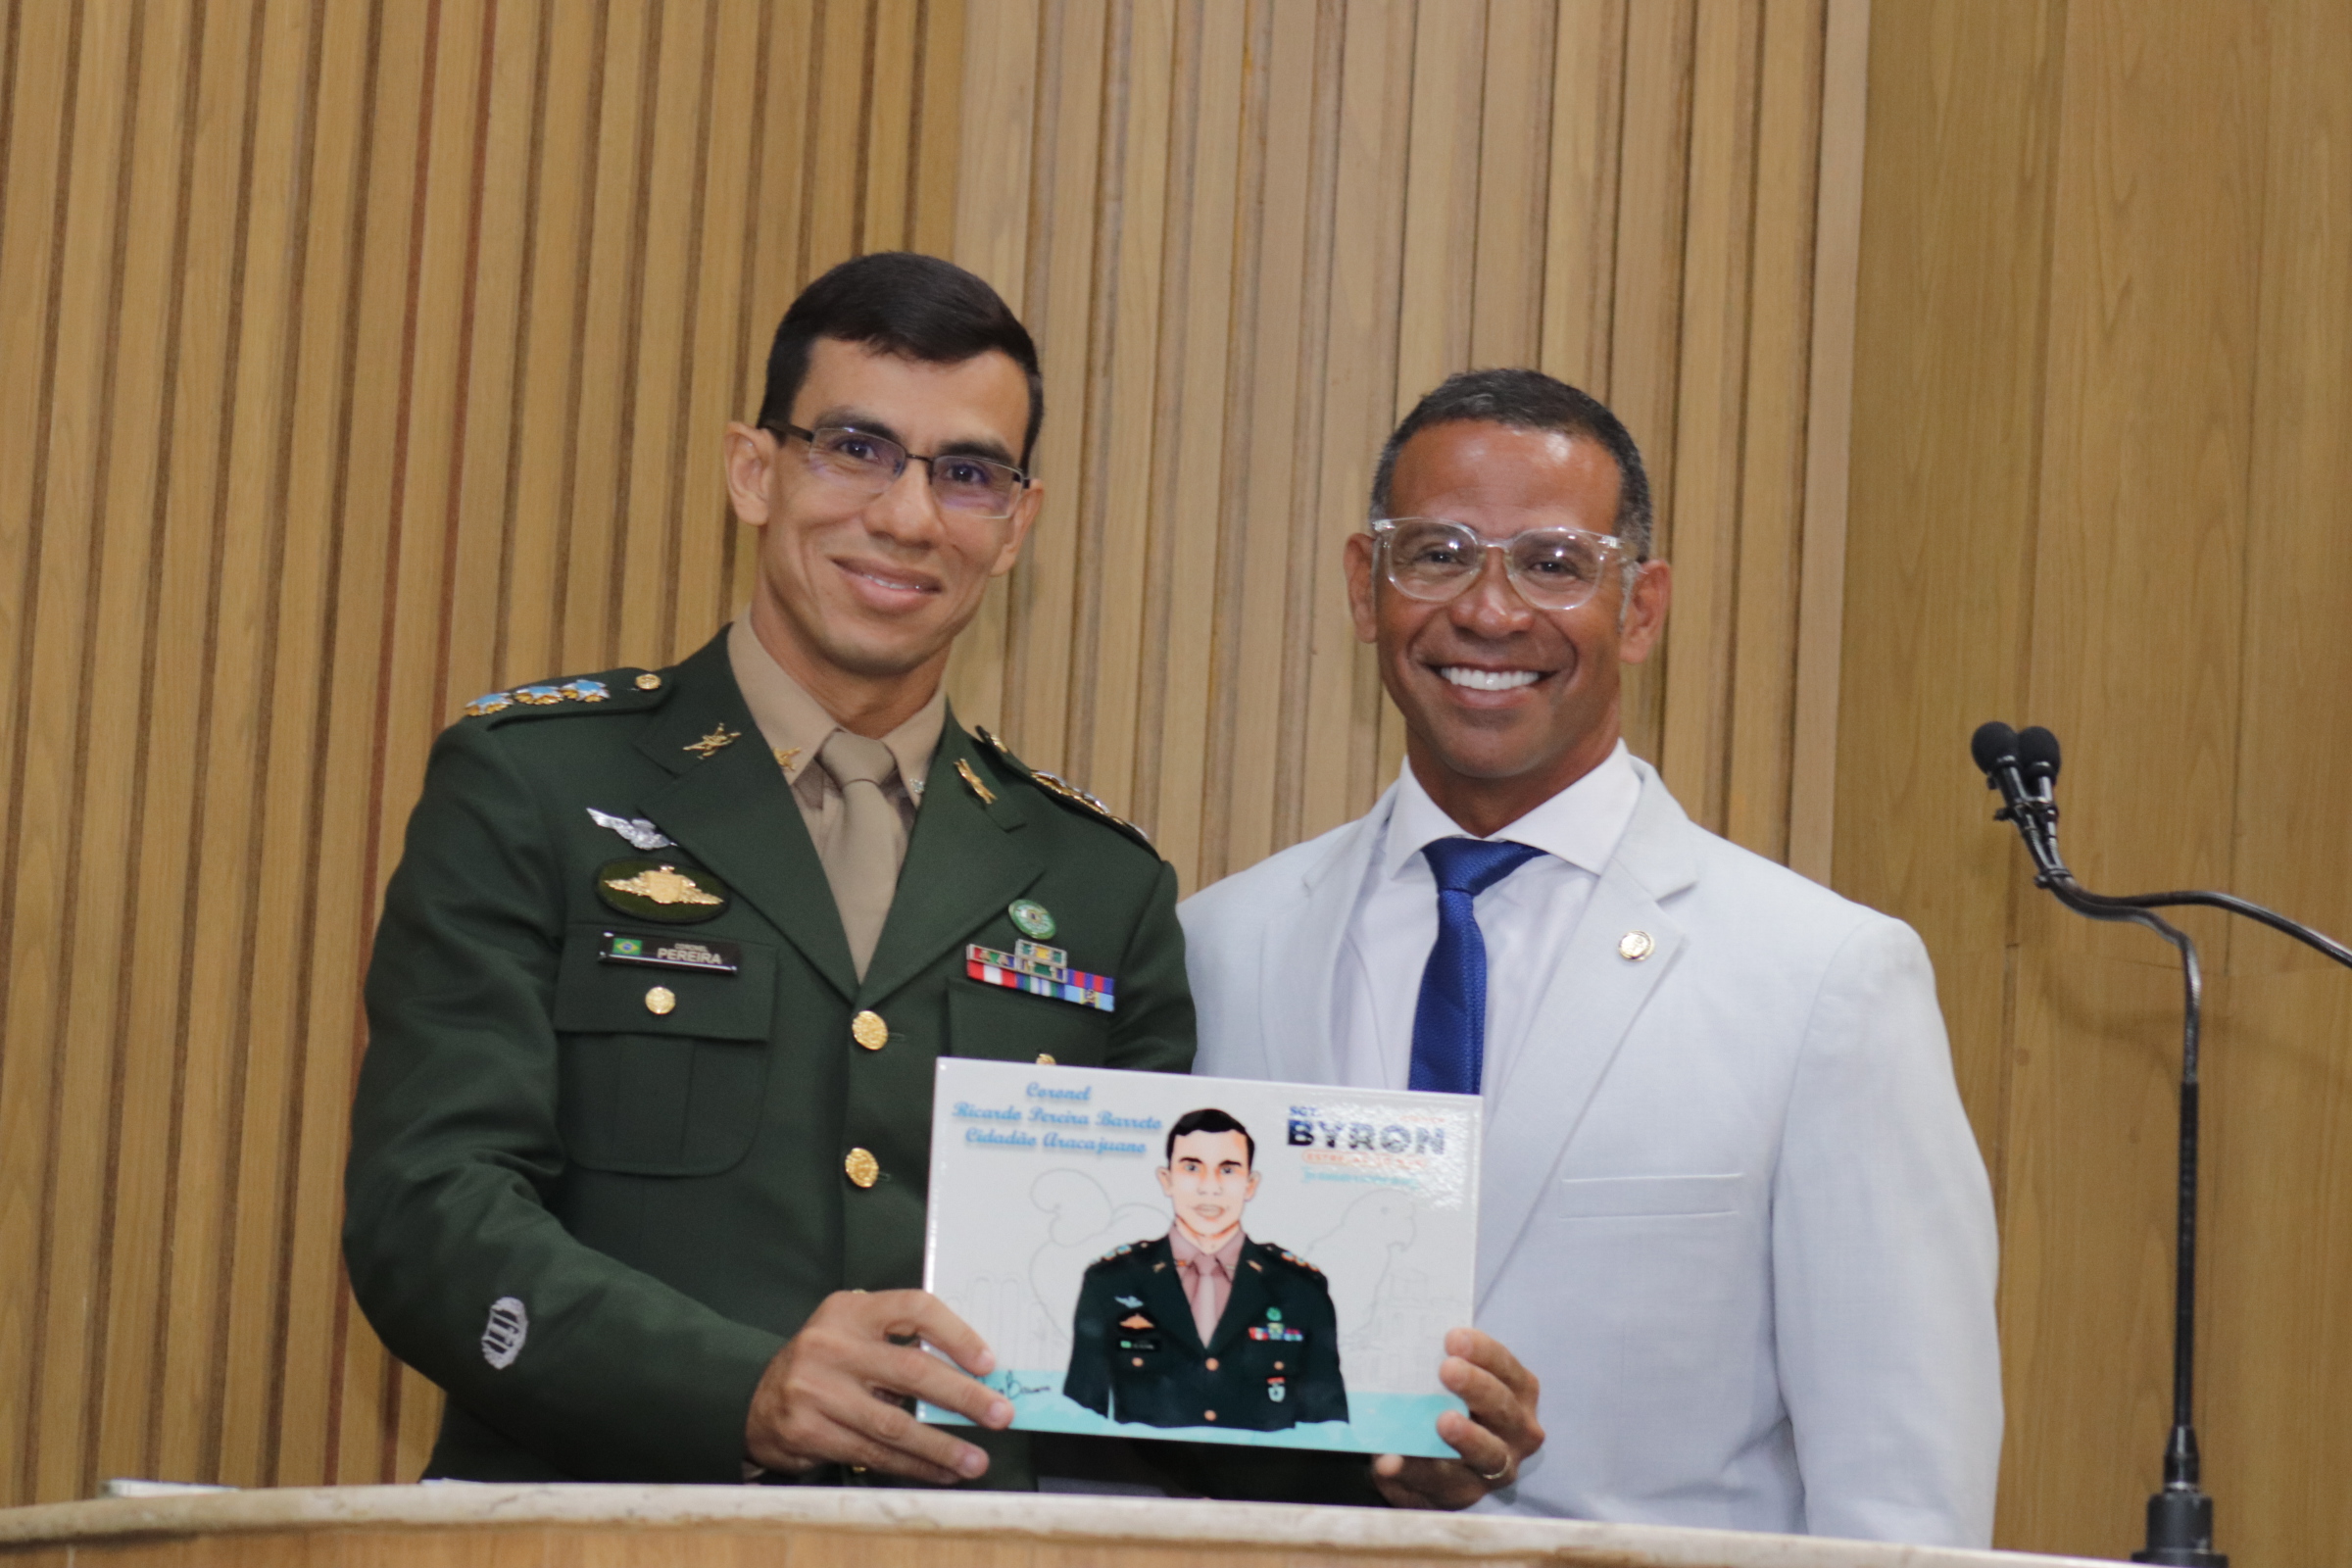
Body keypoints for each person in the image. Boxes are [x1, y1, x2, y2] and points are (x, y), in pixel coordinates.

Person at [343, 253, 1198, 1490]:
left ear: (1017, 525)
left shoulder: (1102, 886)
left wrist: (1386, 1444)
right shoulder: (533, 785)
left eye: (967, 474)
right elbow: (428, 1212)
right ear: (754, 470)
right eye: (855, 448)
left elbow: (1151, 1316)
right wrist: (735, 1389)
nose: (907, 517)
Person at [1178, 368, 2003, 1544]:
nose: (1491, 611)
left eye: (1555, 564)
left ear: (1642, 608)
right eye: (1438, 554)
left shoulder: (1826, 979)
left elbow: (1903, 1496)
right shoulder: (1221, 944)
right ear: (1366, 586)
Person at [1063, 1109, 1346, 1430]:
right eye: (1192, 1167)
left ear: (1250, 1185)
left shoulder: (1300, 1288)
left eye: (1228, 1170)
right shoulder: (1111, 1282)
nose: (1209, 1187)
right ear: (1167, 1180)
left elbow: (1329, 1428)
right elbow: (1079, 1418)